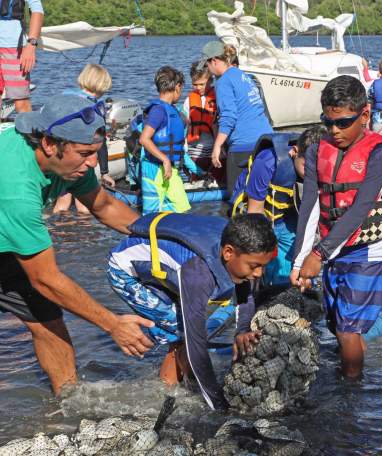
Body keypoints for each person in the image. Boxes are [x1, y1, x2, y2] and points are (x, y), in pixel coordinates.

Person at [0, 94, 154, 396]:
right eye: (85, 153)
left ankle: (68, 406)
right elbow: (46, 279)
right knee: (47, 290)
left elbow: (104, 205)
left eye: (96, 152)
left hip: (7, 242)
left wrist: (162, 237)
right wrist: (113, 324)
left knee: (47, 319)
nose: (93, 162)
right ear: (49, 144)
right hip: (10, 221)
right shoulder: (17, 189)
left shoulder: (70, 165)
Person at [108, 212, 277, 410]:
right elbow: (196, 343)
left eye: (263, 267)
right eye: (255, 266)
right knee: (179, 330)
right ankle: (164, 395)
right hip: (123, 270)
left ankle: (186, 377)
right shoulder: (198, 275)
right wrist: (218, 405)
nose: (259, 274)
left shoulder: (238, 251)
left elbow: (244, 294)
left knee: (197, 325)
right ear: (228, 253)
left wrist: (241, 331)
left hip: (166, 272)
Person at [291, 75, 382, 379]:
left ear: (364, 115)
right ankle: (351, 381)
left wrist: (318, 255)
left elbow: (361, 209)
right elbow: (309, 206)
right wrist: (300, 260)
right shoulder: (316, 150)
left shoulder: (379, 154)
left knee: (348, 329)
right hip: (332, 248)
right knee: (337, 325)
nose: (335, 131)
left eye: (344, 122)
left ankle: (350, 398)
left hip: (366, 249)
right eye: (329, 122)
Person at [231, 126, 326, 286]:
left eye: (318, 169)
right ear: (294, 152)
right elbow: (255, 211)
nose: (313, 174)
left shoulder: (322, 166)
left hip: (287, 216)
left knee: (291, 270)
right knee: (260, 265)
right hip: (258, 216)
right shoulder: (267, 162)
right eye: (307, 166)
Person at [197, 41, 273, 195]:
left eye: (207, 65)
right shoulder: (244, 76)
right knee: (261, 195)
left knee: (236, 198)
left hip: (243, 147)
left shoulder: (223, 81)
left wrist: (217, 146)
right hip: (266, 142)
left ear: (215, 61)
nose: (208, 70)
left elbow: (229, 117)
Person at [53, 64, 115, 214]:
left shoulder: (64, 96)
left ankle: (55, 234)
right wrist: (105, 172)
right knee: (85, 205)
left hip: (60, 158)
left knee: (62, 203)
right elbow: (100, 142)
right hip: (80, 160)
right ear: (101, 86)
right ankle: (85, 235)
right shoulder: (94, 108)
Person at [139, 66, 199, 214]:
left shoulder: (172, 109)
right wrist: (165, 159)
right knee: (151, 214)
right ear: (177, 87)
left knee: (181, 207)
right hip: (153, 168)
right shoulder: (158, 110)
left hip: (169, 168)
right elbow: (144, 139)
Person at [183, 61, 224, 185]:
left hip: (214, 150)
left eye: (202, 84)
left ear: (211, 80)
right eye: (195, 84)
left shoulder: (218, 97)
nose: (198, 87)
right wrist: (184, 149)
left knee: (217, 182)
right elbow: (185, 126)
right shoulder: (188, 101)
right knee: (196, 183)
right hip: (194, 152)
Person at [0, 0, 43, 113]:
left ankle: (27, 129)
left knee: (21, 102)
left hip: (14, 47)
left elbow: (37, 10)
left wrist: (31, 44)